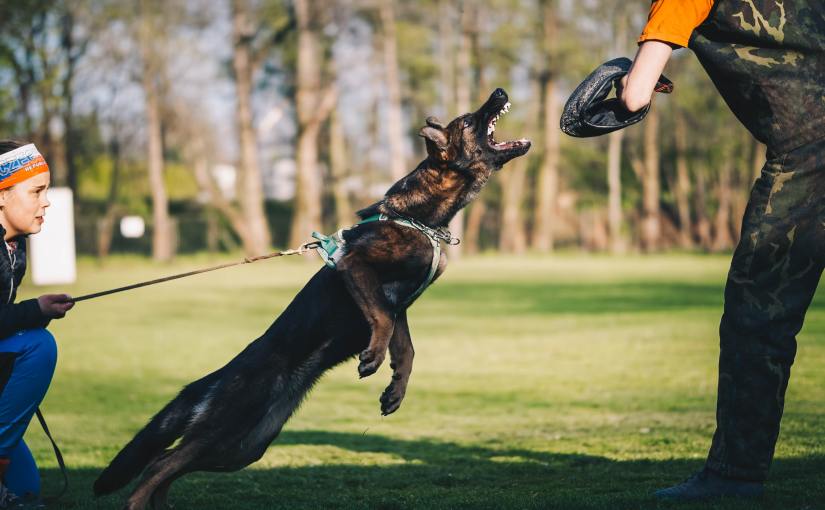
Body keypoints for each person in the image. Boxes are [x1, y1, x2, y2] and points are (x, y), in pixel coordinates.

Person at [617, 0, 825, 501]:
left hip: (810, 164)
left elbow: (634, 96)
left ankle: (734, 477)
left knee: (758, 320)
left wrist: (626, 83)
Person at [0, 140, 74, 508]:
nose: (46, 202)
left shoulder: (16, 245)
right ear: (1, 196)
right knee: (39, 346)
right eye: (36, 191)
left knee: (28, 488)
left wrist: (35, 314)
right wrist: (35, 311)